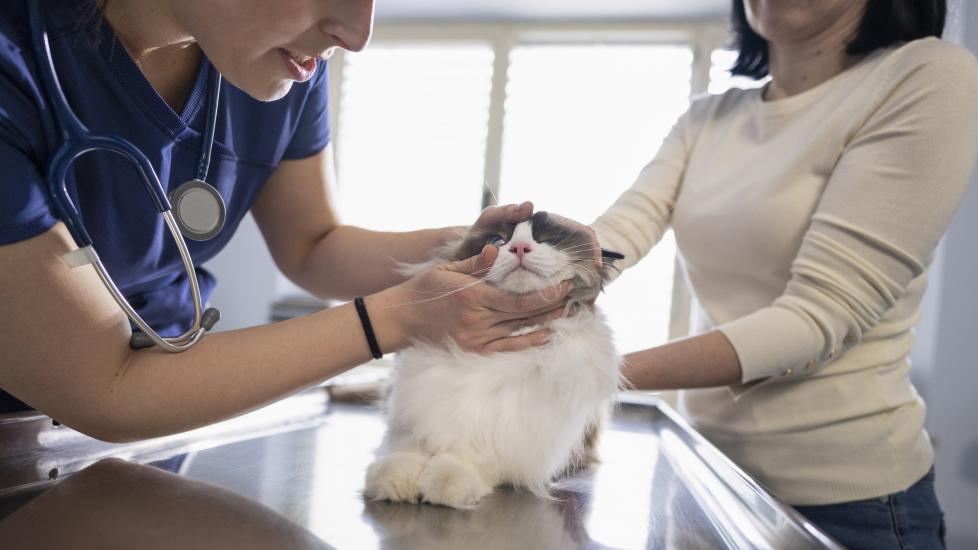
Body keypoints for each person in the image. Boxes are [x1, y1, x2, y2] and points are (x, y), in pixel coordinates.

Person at [0, 0, 574, 441]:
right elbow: (106, 386)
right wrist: (397, 320)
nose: (357, 34)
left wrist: (478, 250)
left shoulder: (281, 57)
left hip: (154, 439)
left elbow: (313, 244)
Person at [590, 0, 977, 547]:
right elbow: (616, 236)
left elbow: (815, 319)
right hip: (712, 475)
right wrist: (521, 269)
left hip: (852, 506)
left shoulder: (925, 75)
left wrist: (588, 370)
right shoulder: (708, 118)